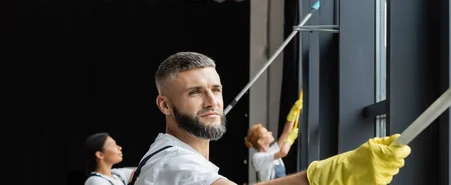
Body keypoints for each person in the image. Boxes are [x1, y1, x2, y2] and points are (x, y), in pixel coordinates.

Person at [130, 51, 412, 185]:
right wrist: (329, 175)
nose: (211, 101)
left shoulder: (167, 157)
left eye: (215, 89)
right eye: (195, 92)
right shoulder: (170, 162)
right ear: (164, 105)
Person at [244, 99, 302, 182]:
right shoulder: (257, 158)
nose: (270, 133)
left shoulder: (272, 150)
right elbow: (283, 152)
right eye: (266, 132)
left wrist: (292, 114)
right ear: (260, 141)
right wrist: (290, 140)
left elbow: (286, 132)